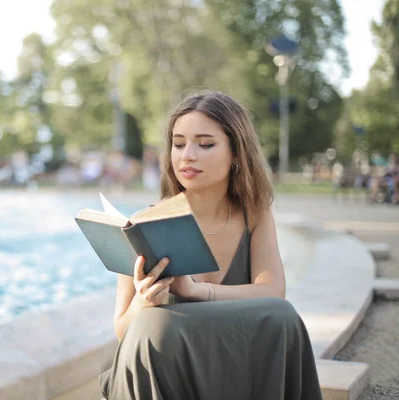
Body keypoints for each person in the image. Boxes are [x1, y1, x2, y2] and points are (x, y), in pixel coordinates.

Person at [99, 91, 322, 400]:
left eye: (205, 144)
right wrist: (143, 303)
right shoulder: (144, 225)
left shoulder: (254, 213)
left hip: (230, 360)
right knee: (154, 324)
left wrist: (197, 291)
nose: (187, 155)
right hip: (163, 368)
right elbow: (124, 331)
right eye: (178, 144)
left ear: (236, 154)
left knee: (283, 316)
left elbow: (274, 292)